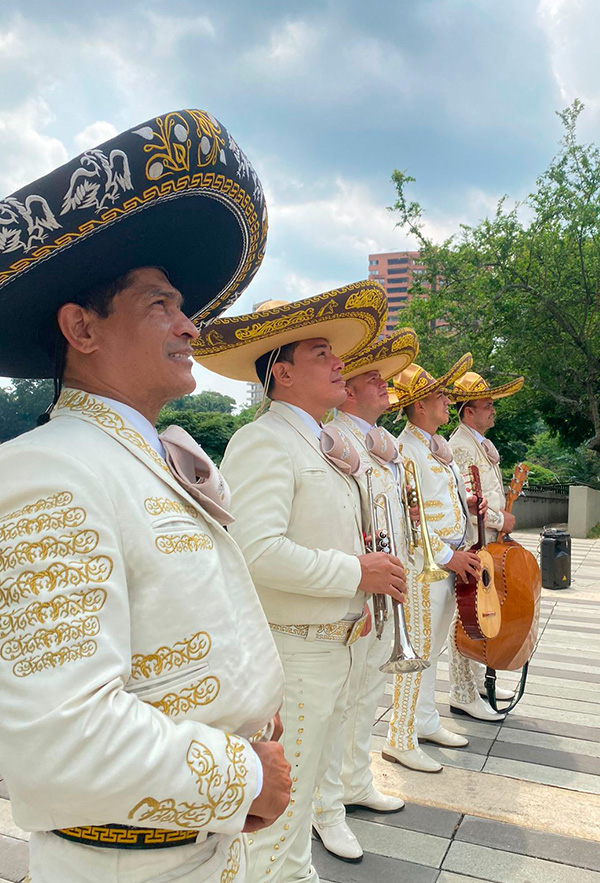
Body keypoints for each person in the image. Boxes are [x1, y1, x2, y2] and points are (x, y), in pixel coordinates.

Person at [0, 109, 290, 883]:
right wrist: (246, 773)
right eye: (159, 303)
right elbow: (59, 740)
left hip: (210, 850)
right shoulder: (46, 471)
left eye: (183, 305)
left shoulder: (155, 456)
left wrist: (255, 712)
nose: (190, 326)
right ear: (80, 328)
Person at [193, 285, 409, 883]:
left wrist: (356, 596)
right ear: (281, 373)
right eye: (322, 353)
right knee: (277, 812)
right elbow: (254, 552)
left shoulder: (315, 440)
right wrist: (355, 573)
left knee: (306, 789)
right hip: (293, 649)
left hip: (330, 643)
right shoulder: (263, 439)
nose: (340, 361)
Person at [311, 328, 418, 862]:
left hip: (385, 589)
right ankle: (325, 806)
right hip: (354, 591)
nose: (386, 387)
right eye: (374, 378)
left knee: (367, 695)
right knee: (339, 703)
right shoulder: (336, 440)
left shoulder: (381, 446)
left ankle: (354, 781)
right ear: (349, 391)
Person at [383, 356, 504, 777]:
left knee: (432, 647)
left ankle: (424, 722)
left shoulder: (436, 448)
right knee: (415, 651)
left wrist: (468, 504)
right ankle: (399, 738)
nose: (447, 401)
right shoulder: (406, 449)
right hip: (424, 565)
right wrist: (450, 556)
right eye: (439, 396)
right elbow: (409, 516)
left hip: (447, 562)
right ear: (418, 406)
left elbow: (441, 502)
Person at [447, 371, 525, 705]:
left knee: (484, 612)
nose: (493, 411)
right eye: (487, 405)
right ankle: (461, 692)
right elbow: (468, 502)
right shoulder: (460, 447)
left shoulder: (479, 443)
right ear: (469, 412)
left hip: (489, 539)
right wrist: (500, 519)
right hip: (472, 541)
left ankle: (478, 683)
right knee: (466, 616)